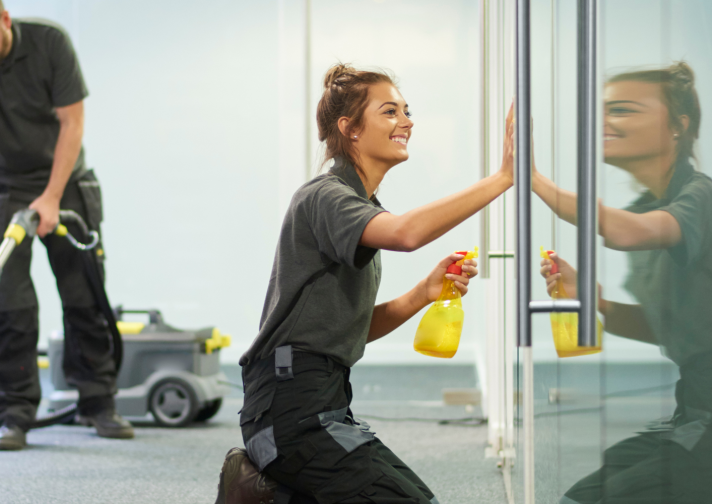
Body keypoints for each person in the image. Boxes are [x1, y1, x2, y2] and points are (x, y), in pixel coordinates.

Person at [215, 64, 515, 504]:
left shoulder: (358, 205)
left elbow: (344, 328)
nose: (407, 122)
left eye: (407, 112)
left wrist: (422, 294)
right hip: (288, 411)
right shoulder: (326, 196)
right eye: (390, 112)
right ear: (350, 129)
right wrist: (503, 178)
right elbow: (406, 234)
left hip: (324, 402)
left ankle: (266, 495)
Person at [0, 0, 133, 451]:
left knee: (84, 296)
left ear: (4, 20)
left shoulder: (49, 43)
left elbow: (72, 123)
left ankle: (97, 403)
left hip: (67, 182)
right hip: (1, 190)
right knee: (7, 305)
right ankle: (14, 413)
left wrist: (52, 196)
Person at [533, 62, 712, 503]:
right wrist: (598, 304)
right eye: (602, 110)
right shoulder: (647, 204)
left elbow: (628, 232)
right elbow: (674, 329)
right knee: (581, 496)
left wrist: (534, 182)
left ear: (678, 126)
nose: (603, 122)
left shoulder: (699, 197)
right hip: (690, 411)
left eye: (623, 110)